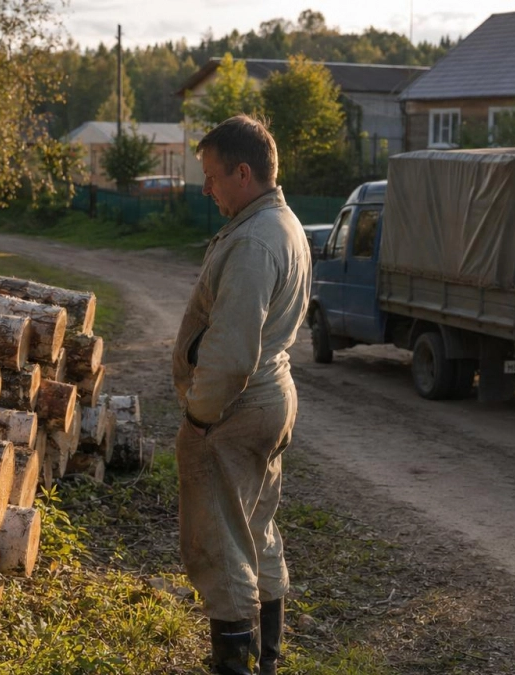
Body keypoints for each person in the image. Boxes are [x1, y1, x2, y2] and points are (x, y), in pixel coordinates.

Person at [172, 114, 310, 675]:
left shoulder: (254, 241)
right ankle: (268, 663)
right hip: (270, 397)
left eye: (212, 176)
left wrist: (200, 418)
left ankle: (237, 668)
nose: (206, 188)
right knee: (257, 531)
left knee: (220, 546)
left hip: (235, 409)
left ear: (243, 172)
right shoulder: (283, 222)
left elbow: (230, 355)